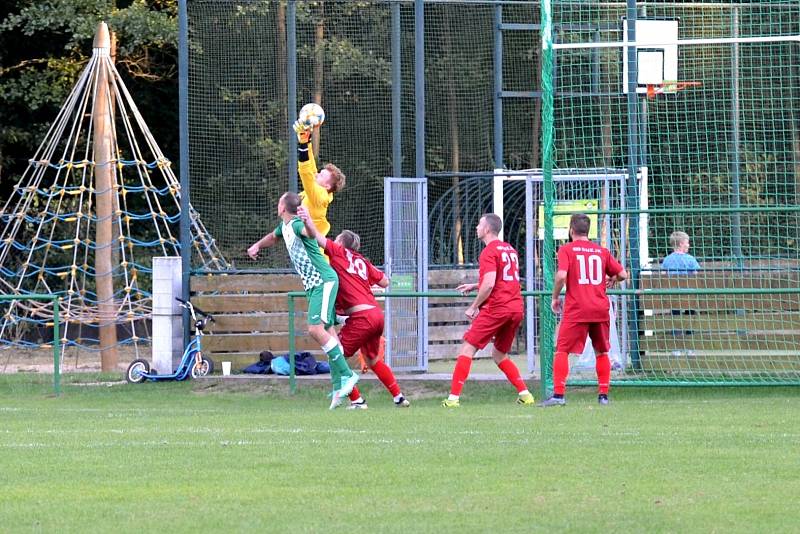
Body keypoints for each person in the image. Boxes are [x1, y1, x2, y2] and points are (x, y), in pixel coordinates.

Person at [247, 192, 358, 409]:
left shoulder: (297, 224)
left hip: (323, 281)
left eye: (279, 201)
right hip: (314, 286)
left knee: (315, 330)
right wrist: (257, 246)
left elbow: (307, 232)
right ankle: (339, 388)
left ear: (282, 208)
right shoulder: (285, 227)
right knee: (330, 333)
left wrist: (308, 221)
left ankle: (347, 375)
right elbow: (273, 236)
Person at [298, 206, 410, 409]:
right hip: (376, 315)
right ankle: (399, 397)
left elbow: (317, 238)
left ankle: (356, 400)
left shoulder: (338, 251)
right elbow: (385, 281)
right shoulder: (363, 261)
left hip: (362, 317)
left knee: (335, 351)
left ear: (341, 242)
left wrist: (307, 219)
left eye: (337, 238)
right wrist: (364, 285)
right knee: (373, 360)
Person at [442, 213, 535, 408]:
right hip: (515, 308)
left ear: (487, 229)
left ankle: (452, 399)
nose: (476, 227)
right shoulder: (509, 249)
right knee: (499, 354)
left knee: (468, 347)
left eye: (479, 224)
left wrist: (473, 306)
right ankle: (525, 395)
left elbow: (490, 285)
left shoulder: (489, 251)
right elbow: (503, 279)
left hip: (497, 307)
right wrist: (475, 285)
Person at [542, 213, 628, 407]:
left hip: (577, 308)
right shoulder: (601, 251)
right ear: (588, 231)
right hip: (600, 308)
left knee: (562, 350)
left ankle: (558, 395)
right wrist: (613, 279)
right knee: (601, 352)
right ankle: (603, 396)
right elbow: (623, 273)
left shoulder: (567, 249)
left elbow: (562, 275)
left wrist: (555, 297)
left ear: (571, 230)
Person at [293, 119, 346, 241]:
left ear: (327, 186)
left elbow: (305, 172)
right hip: (305, 248)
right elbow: (311, 169)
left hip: (313, 253)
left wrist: (303, 144)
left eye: (321, 176)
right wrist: (307, 140)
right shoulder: (318, 191)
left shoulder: (318, 195)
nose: (317, 175)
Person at [661, 230, 701, 343]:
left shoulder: (667, 260)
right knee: (690, 318)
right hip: (689, 295)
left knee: (676, 318)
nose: (689, 245)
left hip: (674, 295)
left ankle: (676, 345)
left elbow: (663, 277)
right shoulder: (690, 259)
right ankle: (690, 344)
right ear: (680, 244)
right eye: (687, 242)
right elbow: (697, 276)